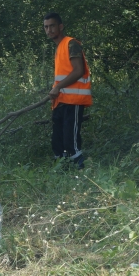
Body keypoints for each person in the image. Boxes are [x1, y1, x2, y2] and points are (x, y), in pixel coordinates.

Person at [43, 12, 92, 168]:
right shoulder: (59, 48)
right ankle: (61, 170)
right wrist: (55, 90)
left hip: (74, 100)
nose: (49, 30)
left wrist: (57, 87)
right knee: (57, 142)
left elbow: (78, 71)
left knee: (70, 141)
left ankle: (82, 172)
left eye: (52, 26)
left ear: (60, 26)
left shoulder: (71, 44)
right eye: (46, 27)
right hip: (61, 101)